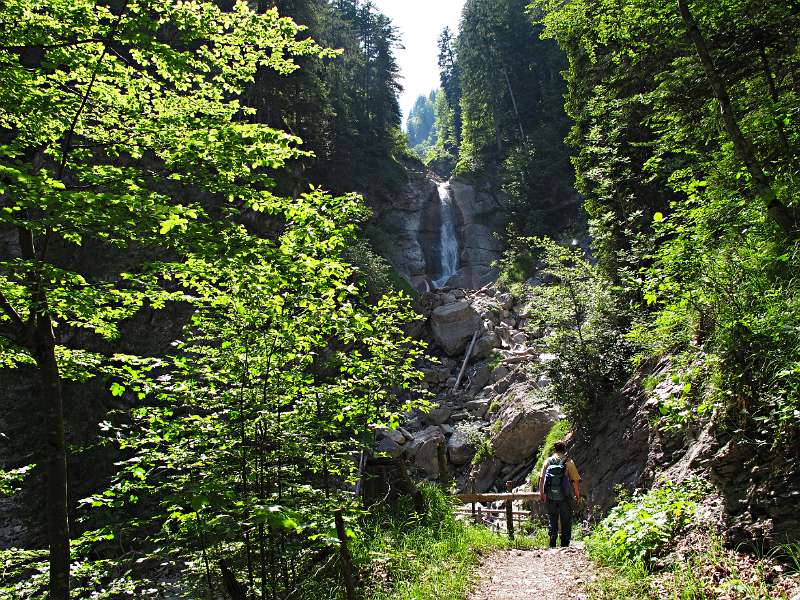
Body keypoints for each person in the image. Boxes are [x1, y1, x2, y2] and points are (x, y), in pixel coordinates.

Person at [538, 440, 581, 548]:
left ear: (555, 449)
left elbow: (542, 479)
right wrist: (577, 495)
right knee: (566, 519)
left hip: (551, 496)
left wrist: (542, 494)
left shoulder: (548, 461)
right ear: (564, 449)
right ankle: (564, 544)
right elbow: (575, 481)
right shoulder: (568, 462)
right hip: (565, 497)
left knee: (552, 517)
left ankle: (553, 535)